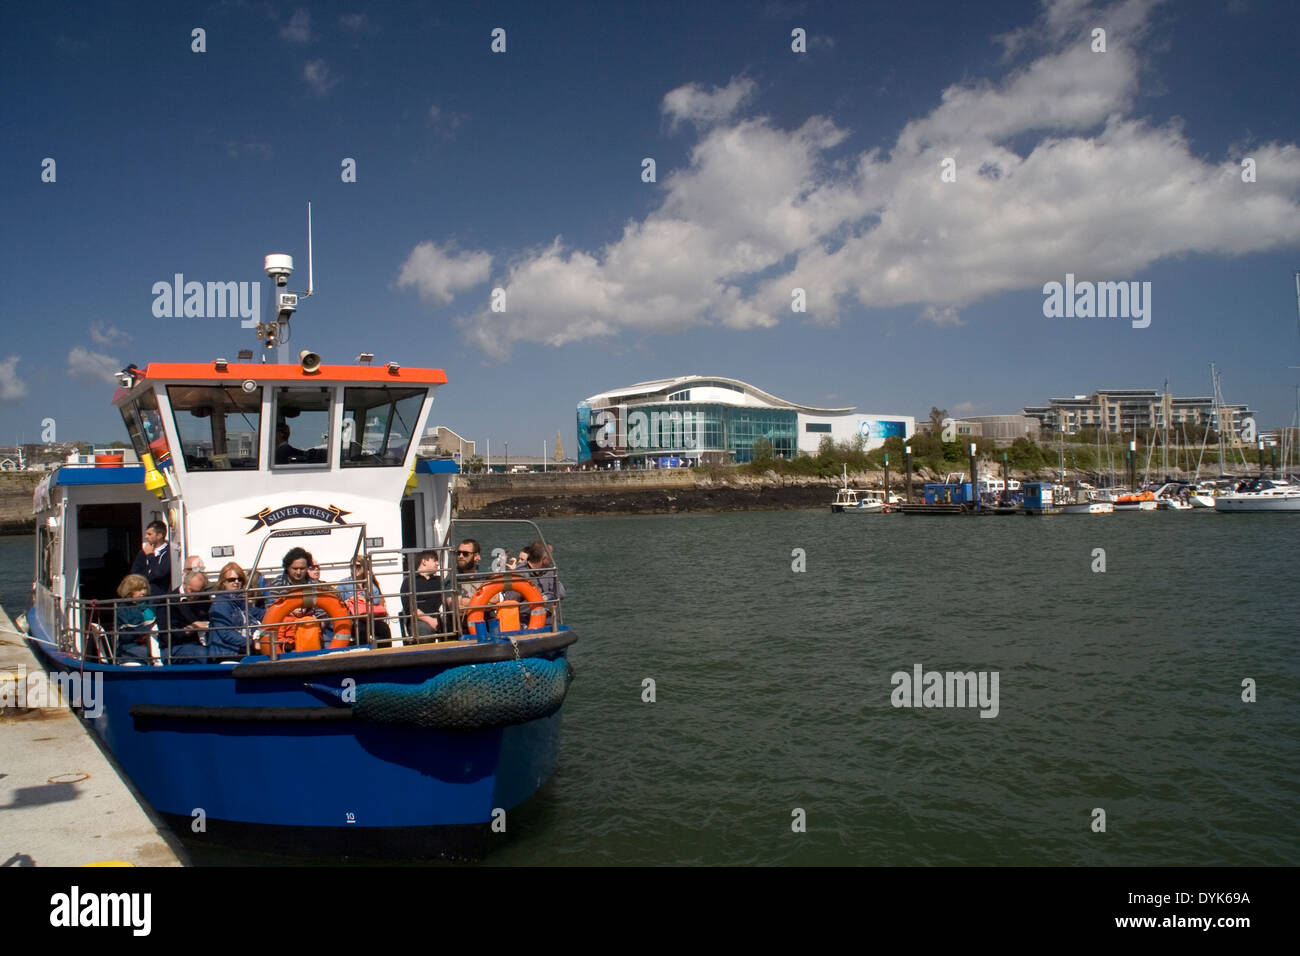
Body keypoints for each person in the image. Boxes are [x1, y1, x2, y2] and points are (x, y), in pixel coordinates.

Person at [206, 563, 262, 658]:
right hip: (227, 653)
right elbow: (226, 633)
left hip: (241, 649)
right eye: (231, 580)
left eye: (240, 579)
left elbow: (259, 613)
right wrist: (252, 642)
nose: (236, 582)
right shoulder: (220, 604)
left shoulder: (240, 604)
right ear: (223, 583)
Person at [338, 557, 391, 644]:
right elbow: (338, 603)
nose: (354, 569)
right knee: (361, 630)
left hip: (370, 618)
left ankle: (384, 655)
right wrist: (349, 601)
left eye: (357, 566)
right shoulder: (344, 584)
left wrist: (369, 582)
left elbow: (376, 600)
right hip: (354, 620)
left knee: (384, 629)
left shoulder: (370, 583)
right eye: (351, 566)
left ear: (364, 567)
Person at [163, 568, 213, 659]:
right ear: (185, 584)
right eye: (191, 591)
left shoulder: (204, 599)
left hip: (203, 640)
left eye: (197, 593)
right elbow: (170, 634)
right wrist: (194, 627)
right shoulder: (170, 601)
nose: (193, 595)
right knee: (201, 653)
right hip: (178, 644)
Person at [401, 550, 446, 637]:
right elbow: (409, 607)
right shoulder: (409, 581)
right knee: (425, 631)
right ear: (424, 562)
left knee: (452, 627)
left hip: (437, 618)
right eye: (435, 560)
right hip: (418, 620)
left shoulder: (439, 581)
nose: (437, 564)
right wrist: (429, 620)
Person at [114, 573, 156, 662]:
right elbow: (126, 636)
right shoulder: (123, 609)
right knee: (148, 653)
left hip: (155, 641)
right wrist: (146, 632)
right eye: (139, 589)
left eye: (144, 588)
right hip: (131, 646)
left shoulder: (151, 603)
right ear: (129, 591)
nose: (143, 592)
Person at [130, 520, 171, 596]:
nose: (146, 537)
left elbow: (159, 573)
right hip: (144, 597)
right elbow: (134, 573)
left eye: (149, 534)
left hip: (160, 598)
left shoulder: (169, 552)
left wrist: (150, 555)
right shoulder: (143, 552)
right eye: (146, 534)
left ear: (159, 535)